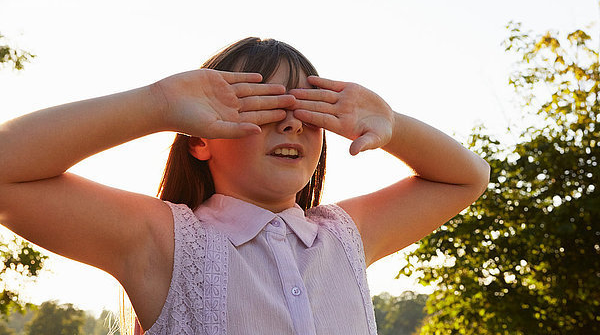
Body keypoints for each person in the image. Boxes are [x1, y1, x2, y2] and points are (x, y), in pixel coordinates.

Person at [0, 37, 490, 335]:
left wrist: (393, 123)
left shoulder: (343, 235)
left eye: (307, 112)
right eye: (264, 107)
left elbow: (468, 177)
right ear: (200, 141)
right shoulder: (166, 241)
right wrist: (157, 104)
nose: (292, 125)